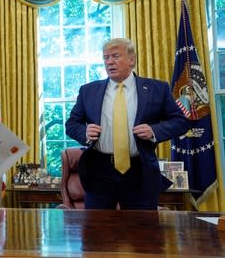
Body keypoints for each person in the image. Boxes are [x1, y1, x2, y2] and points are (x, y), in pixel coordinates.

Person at [65, 38, 189, 210]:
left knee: (142, 231)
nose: (109, 61)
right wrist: (84, 131)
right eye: (106, 57)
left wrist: (154, 130)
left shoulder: (157, 89)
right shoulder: (88, 90)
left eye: (115, 56)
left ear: (132, 60)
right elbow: (71, 124)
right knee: (98, 231)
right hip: (99, 171)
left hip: (140, 171)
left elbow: (180, 122)